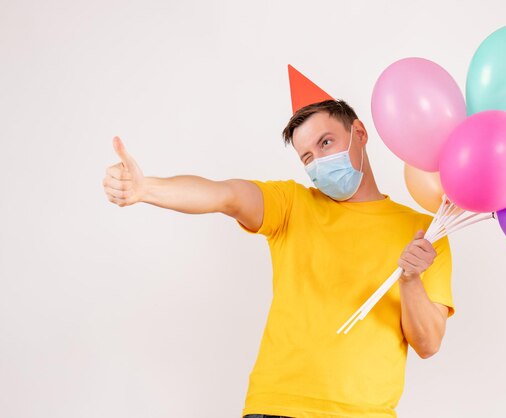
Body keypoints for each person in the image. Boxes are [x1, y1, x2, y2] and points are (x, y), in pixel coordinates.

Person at [102, 70, 455, 418]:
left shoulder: (424, 232)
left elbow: (428, 344)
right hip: (277, 407)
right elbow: (225, 195)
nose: (319, 162)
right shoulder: (292, 204)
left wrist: (409, 280)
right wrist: (146, 189)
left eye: (326, 143)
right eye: (307, 157)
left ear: (359, 133)